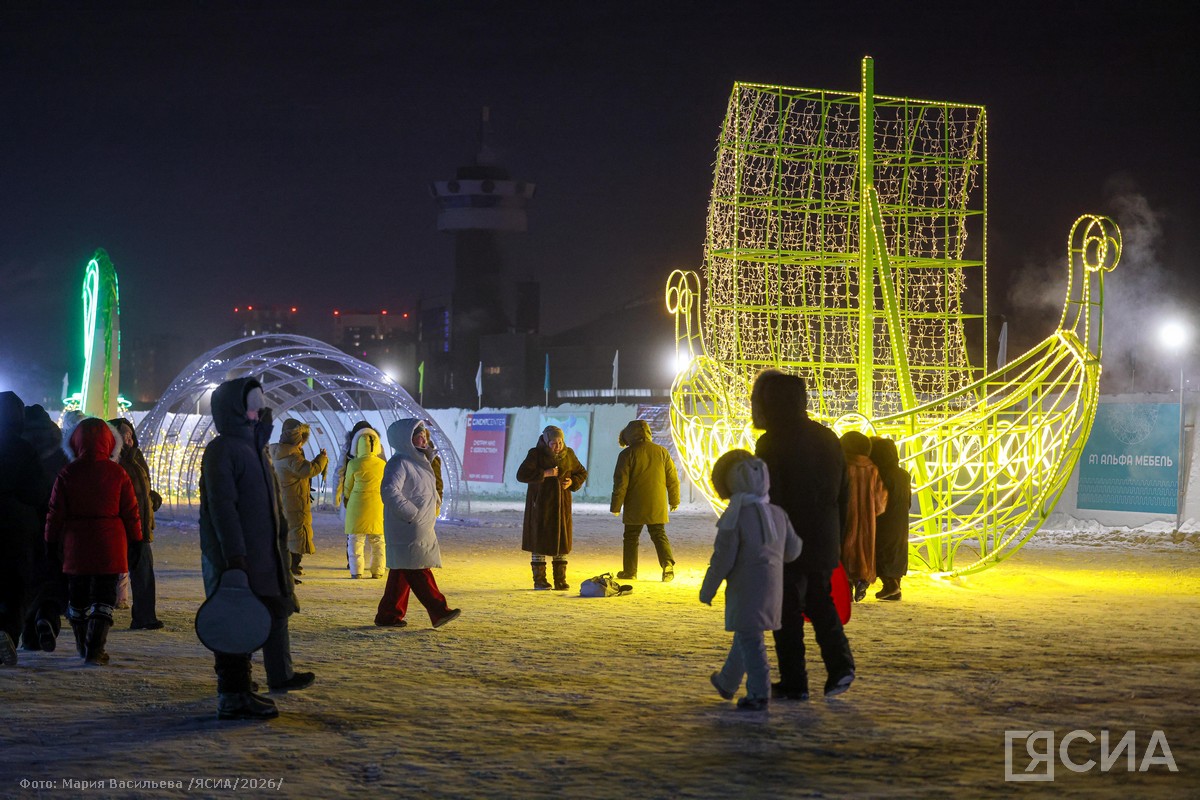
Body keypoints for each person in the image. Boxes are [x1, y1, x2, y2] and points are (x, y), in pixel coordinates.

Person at [199, 377, 315, 721]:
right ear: (233, 409)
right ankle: (233, 695)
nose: (259, 407)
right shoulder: (224, 449)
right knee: (235, 620)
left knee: (276, 607)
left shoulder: (255, 447)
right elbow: (223, 507)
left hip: (264, 553)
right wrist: (234, 557)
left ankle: (280, 673)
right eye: (251, 402)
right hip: (238, 555)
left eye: (260, 401)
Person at [751, 370, 855, 700]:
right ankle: (840, 666)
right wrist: (838, 534)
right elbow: (844, 493)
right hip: (824, 536)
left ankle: (795, 681)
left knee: (786, 611)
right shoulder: (827, 437)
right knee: (820, 600)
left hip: (786, 538)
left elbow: (769, 496)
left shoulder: (771, 442)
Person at [701, 450, 802, 711]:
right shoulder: (778, 513)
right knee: (747, 636)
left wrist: (708, 589)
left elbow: (723, 559)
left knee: (750, 640)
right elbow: (793, 550)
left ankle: (759, 693)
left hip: (745, 591)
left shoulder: (734, 517)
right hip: (772, 588)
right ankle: (726, 682)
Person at [44, 417, 142, 665]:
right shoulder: (118, 473)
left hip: (75, 545)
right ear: (111, 443)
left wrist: (50, 541)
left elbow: (55, 512)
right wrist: (137, 541)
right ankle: (95, 648)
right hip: (110, 544)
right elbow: (131, 512)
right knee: (104, 596)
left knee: (77, 595)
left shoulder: (68, 473)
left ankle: (81, 643)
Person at [374, 419, 461, 628]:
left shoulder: (420, 461)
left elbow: (425, 489)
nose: (422, 438)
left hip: (419, 524)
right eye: (417, 435)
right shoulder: (400, 462)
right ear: (405, 439)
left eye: (424, 435)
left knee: (403, 569)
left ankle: (388, 615)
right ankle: (439, 610)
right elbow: (389, 491)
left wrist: (434, 504)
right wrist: (412, 513)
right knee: (418, 568)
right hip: (408, 526)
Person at [19, 404, 69, 653]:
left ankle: (29, 634)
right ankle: (47, 617)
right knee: (53, 578)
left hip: (22, 525)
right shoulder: (61, 453)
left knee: (27, 580)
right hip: (56, 525)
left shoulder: (17, 448)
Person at [0, 391, 44, 665]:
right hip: (16, 527)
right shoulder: (25, 449)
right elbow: (37, 492)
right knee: (17, 587)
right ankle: (8, 633)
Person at [109, 417, 164, 629]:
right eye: (124, 433)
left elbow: (141, 488)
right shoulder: (114, 460)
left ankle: (144, 616)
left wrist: (151, 498)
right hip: (123, 526)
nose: (128, 437)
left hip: (141, 525)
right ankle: (99, 615)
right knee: (113, 573)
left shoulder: (136, 457)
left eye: (130, 433)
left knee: (144, 574)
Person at [517, 425, 588, 591]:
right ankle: (539, 580)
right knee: (539, 540)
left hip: (562, 506)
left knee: (561, 541)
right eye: (554, 443)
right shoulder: (535, 454)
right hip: (541, 505)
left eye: (560, 442)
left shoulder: (568, 454)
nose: (558, 446)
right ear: (546, 441)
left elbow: (581, 472)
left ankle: (560, 579)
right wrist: (545, 473)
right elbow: (522, 475)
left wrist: (572, 482)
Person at [609, 419, 681, 581]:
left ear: (629, 435)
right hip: (657, 502)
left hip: (635, 503)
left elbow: (621, 482)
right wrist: (674, 500)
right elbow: (673, 478)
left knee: (631, 537)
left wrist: (616, 506)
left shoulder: (626, 454)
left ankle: (630, 571)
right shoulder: (662, 451)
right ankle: (667, 565)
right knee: (659, 534)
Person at [269, 419, 329, 582]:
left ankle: (291, 566)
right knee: (295, 534)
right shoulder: (291, 456)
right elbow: (308, 470)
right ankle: (288, 570)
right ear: (296, 438)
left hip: (287, 499)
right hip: (293, 500)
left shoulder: (281, 452)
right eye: (301, 440)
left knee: (291, 534)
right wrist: (321, 459)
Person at [840, 431, 888, 603]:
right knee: (864, 551)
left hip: (845, 516)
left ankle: (847, 583)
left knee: (845, 549)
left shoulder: (842, 467)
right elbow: (880, 500)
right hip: (867, 521)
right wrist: (871, 511)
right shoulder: (872, 469)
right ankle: (862, 580)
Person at [870, 437, 911, 601]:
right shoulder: (903, 475)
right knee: (897, 550)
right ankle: (894, 588)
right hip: (900, 519)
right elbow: (908, 500)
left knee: (881, 549)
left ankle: (891, 585)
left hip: (884, 518)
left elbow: (877, 498)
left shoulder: (880, 473)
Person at [342, 426, 385, 579]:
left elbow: (348, 486)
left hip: (357, 505)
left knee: (355, 540)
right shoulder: (382, 464)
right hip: (377, 505)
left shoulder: (354, 464)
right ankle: (378, 571)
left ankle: (356, 571)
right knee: (378, 540)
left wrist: (346, 498)